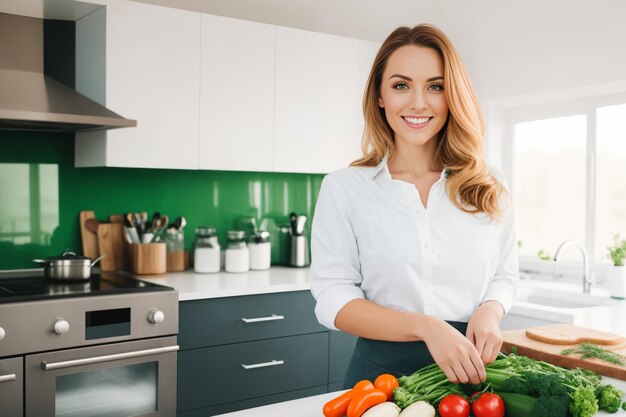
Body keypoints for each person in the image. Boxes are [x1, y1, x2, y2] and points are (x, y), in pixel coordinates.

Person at [309, 24, 518, 389]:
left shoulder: (488, 184)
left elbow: (504, 275)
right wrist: (426, 327)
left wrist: (490, 311)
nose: (418, 102)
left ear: (452, 95)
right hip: (379, 382)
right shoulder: (344, 188)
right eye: (401, 85)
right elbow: (333, 297)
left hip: (474, 378)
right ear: (380, 95)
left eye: (435, 87)